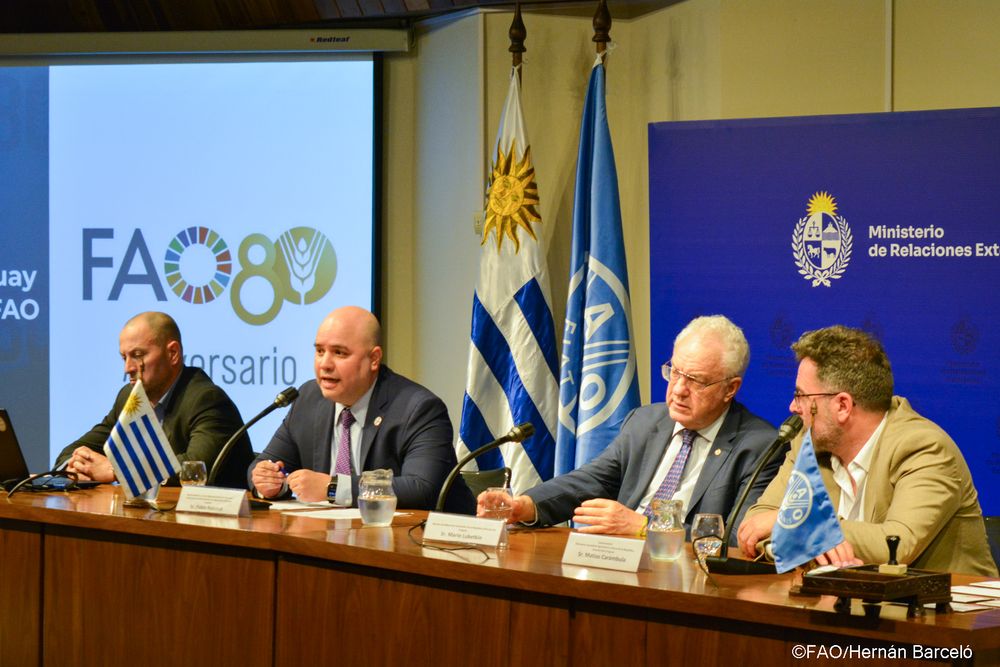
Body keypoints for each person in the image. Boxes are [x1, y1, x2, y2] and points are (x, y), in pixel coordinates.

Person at [478, 315, 778, 538]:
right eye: (675, 372)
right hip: (620, 564)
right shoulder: (645, 422)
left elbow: (738, 538)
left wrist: (646, 528)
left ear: (730, 388)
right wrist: (524, 505)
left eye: (696, 380)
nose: (678, 390)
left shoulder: (759, 445)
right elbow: (588, 481)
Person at [737, 325, 997, 575]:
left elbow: (896, 545)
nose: (793, 407)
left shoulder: (924, 448)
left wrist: (801, 527)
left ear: (842, 405)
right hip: (846, 604)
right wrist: (804, 535)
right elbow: (755, 524)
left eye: (801, 396)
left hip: (945, 611)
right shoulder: (807, 441)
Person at [248, 306, 475, 513]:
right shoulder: (308, 398)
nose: (325, 364)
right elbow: (263, 464)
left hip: (424, 546)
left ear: (374, 359)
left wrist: (333, 488)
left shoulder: (418, 408)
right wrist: (268, 483)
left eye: (339, 353)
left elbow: (421, 488)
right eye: (319, 351)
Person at [56, 311, 253, 489]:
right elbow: (73, 451)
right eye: (124, 357)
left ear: (173, 353)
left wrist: (117, 471)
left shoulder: (206, 399)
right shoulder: (129, 397)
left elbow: (195, 467)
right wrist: (76, 467)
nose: (127, 368)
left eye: (137, 355)